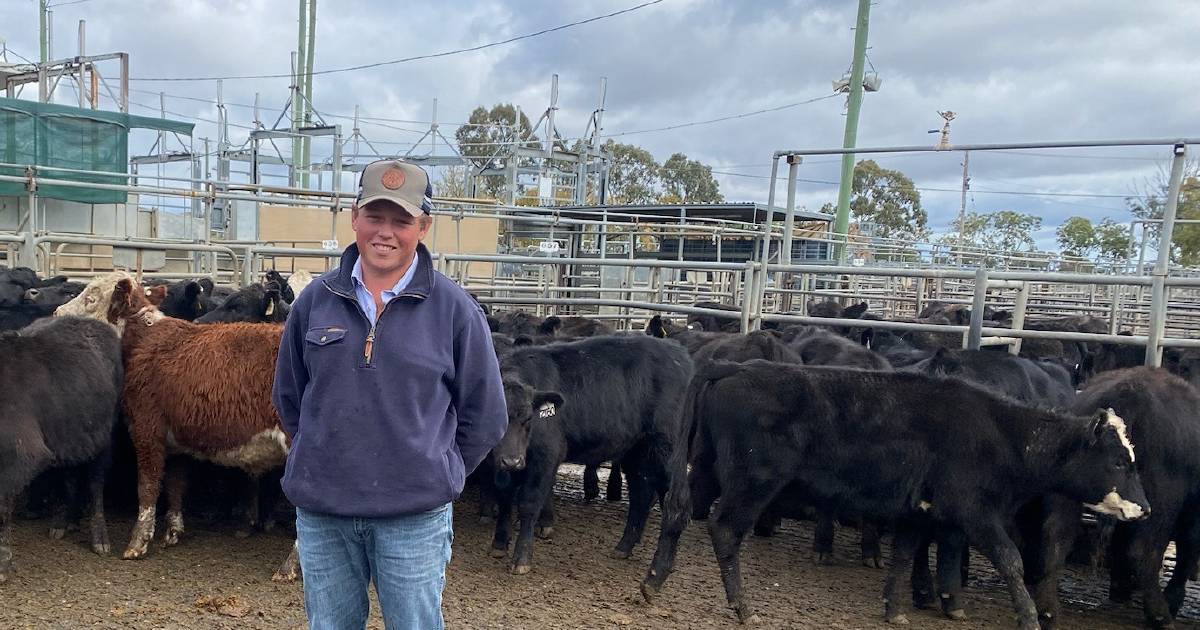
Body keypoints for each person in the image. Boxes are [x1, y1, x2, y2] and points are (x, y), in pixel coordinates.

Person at [272, 158, 507, 629]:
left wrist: (439, 470)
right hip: (325, 512)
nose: (386, 232)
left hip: (413, 517)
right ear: (354, 217)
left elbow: (486, 416)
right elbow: (290, 396)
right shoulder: (314, 301)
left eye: (401, 220)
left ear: (423, 225)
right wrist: (322, 453)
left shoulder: (455, 309)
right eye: (375, 217)